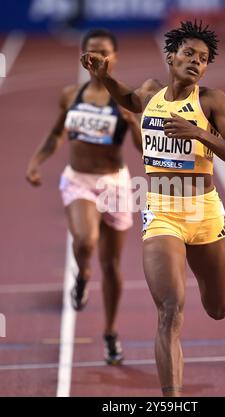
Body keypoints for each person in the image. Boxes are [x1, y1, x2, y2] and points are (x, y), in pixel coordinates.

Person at [81, 20, 225, 396]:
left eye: (203, 59)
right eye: (189, 53)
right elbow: (130, 101)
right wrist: (106, 78)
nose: (195, 62)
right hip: (160, 209)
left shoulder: (212, 101)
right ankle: (171, 400)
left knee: (217, 308)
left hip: (203, 211)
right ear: (171, 55)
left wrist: (200, 134)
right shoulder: (151, 92)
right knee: (170, 311)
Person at [26, 28, 142, 365]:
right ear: (83, 54)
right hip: (78, 180)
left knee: (113, 265)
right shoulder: (70, 95)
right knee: (86, 240)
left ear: (114, 57)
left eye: (103, 51)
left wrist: (132, 122)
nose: (96, 56)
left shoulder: (124, 98)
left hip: (115, 185)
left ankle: (110, 332)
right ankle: (81, 274)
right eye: (91, 50)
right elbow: (55, 134)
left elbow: (141, 147)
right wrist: (36, 163)